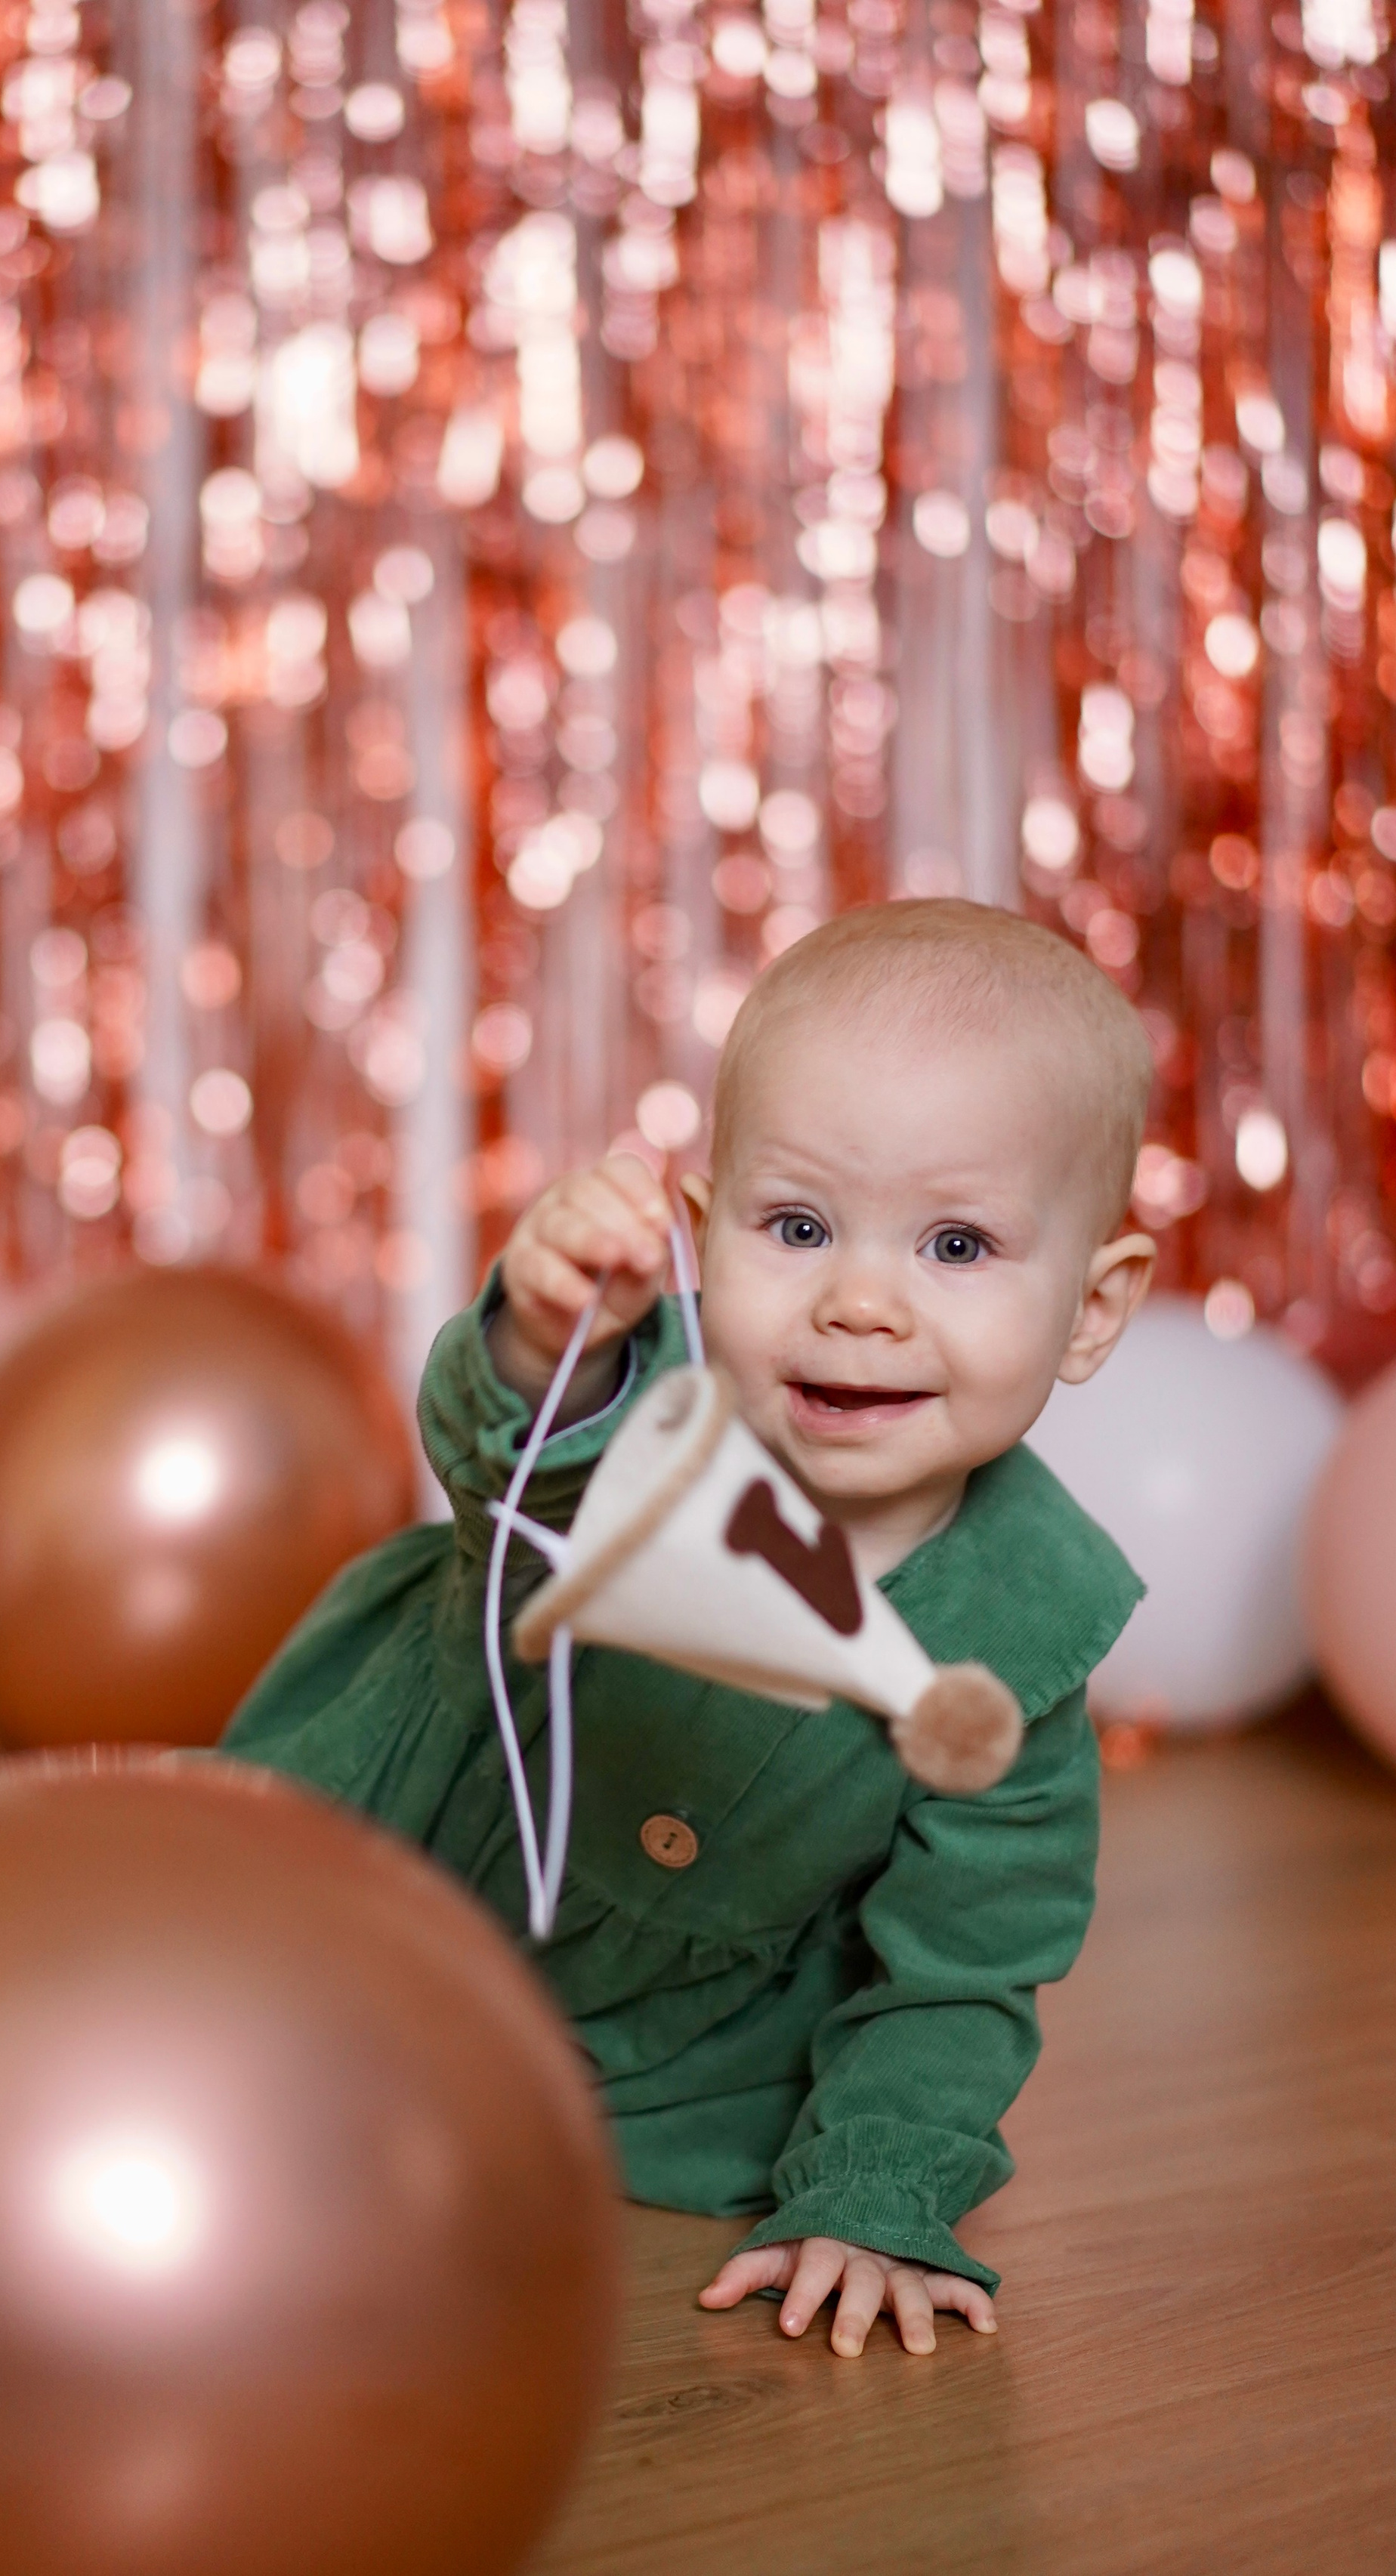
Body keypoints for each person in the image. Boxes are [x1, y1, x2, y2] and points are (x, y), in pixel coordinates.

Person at [224, 898, 1157, 2358]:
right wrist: (552, 1338)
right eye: (798, 1227)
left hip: (686, 2062)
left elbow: (962, 1970)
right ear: (706, 1228)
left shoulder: (1018, 1642)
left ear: (1092, 1310)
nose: (860, 1301)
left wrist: (874, 2192)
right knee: (187, 2007)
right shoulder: (658, 1406)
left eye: (958, 1243)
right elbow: (519, 1466)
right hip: (411, 1846)